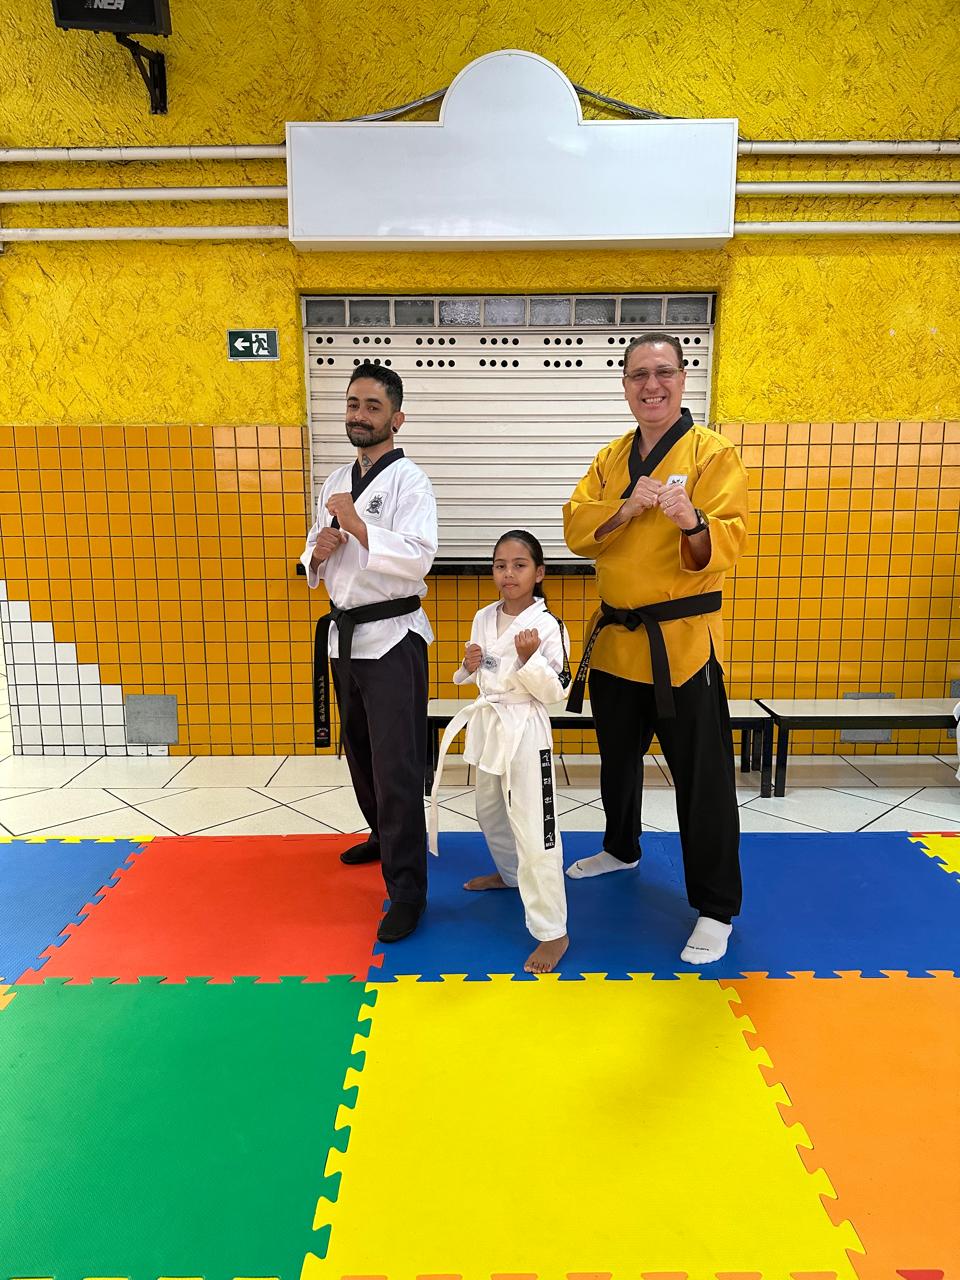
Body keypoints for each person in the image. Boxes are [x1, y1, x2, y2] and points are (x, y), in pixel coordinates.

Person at [562, 332, 748, 964]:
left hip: (682, 647)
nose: (651, 385)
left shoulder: (713, 454)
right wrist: (626, 507)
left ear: (683, 378)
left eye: (663, 371)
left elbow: (724, 544)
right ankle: (621, 847)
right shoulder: (612, 458)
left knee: (702, 781)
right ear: (624, 385)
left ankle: (716, 907)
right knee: (617, 761)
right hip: (618, 642)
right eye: (638, 374)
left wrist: (690, 519)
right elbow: (577, 528)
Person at [301, 361, 438, 944]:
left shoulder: (411, 483)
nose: (359, 415)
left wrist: (357, 525)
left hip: (392, 639)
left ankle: (407, 891)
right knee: (358, 751)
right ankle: (383, 835)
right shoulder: (335, 479)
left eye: (373, 406)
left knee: (396, 764)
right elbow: (314, 555)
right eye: (353, 404)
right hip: (345, 637)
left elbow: (419, 557)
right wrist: (318, 551)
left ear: (396, 419)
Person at [428, 530, 571, 973]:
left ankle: (553, 931)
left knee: (535, 828)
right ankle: (510, 875)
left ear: (539, 573)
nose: (508, 574)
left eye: (519, 565)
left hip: (526, 730)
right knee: (489, 810)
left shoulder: (548, 626)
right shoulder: (483, 616)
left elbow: (557, 692)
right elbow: (482, 672)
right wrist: (466, 668)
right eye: (500, 565)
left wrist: (530, 660)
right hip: (490, 723)